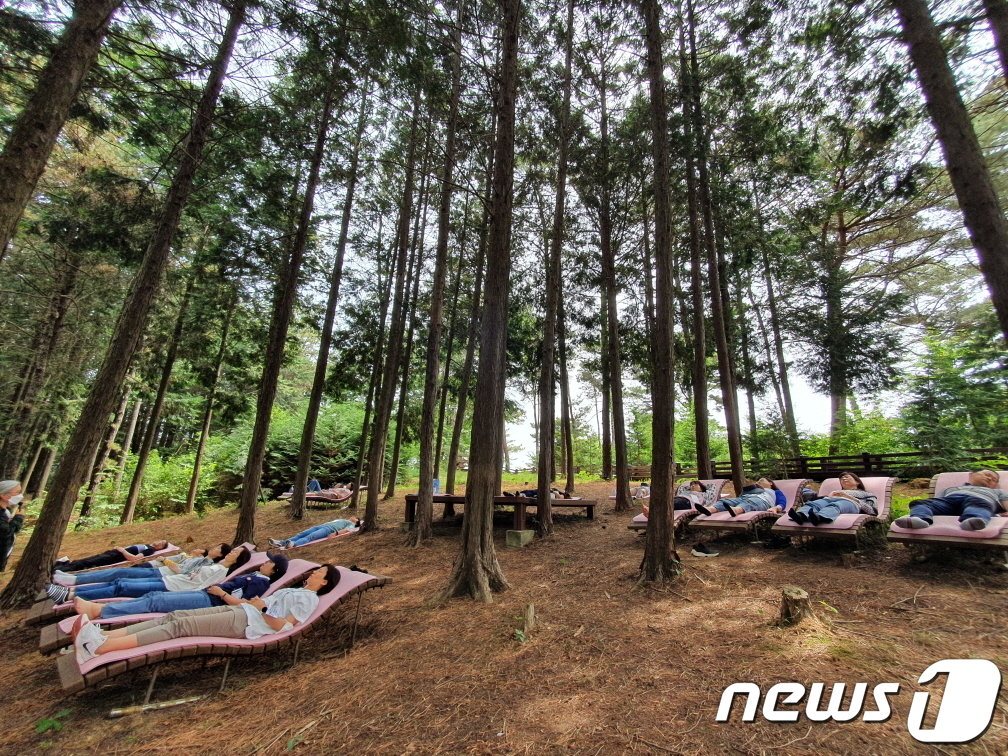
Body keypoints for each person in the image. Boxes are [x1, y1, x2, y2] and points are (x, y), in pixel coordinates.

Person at [72, 564, 342, 663]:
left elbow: (284, 625)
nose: (314, 572)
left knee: (179, 628)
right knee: (174, 617)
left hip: (249, 623)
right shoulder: (293, 590)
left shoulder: (307, 599)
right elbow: (257, 606)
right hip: (241, 612)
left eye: (320, 572)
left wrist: (262, 607)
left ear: (325, 582)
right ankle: (103, 633)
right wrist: (244, 602)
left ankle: (102, 648)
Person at [74, 553, 290, 620]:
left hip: (210, 601)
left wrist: (221, 592)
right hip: (205, 594)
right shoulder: (254, 575)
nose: (265, 562)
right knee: (153, 596)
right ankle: (95, 607)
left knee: (156, 600)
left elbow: (245, 604)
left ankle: (100, 611)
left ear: (274, 571)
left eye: (270, 562)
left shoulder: (261, 582)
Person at [45, 545, 250, 604]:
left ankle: (71, 593)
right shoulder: (213, 564)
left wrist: (168, 561)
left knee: (121, 585)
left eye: (236, 552)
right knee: (119, 579)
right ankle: (71, 587)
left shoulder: (219, 570)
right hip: (166, 578)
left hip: (170, 586)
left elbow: (195, 582)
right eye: (234, 549)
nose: (233, 551)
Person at [52, 543, 232, 587]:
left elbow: (181, 570)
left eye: (218, 548)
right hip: (159, 571)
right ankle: (74, 579)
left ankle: (74, 580)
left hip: (160, 574)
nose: (214, 547)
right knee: (116, 575)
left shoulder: (206, 563)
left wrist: (164, 560)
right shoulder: (200, 558)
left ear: (220, 554)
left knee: (117, 577)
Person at [895, 470, 1008, 531]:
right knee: (921, 503)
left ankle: (972, 521)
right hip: (949, 502)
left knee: (980, 506)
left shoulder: (998, 492)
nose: (989, 479)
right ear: (972, 476)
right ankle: (919, 519)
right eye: (987, 475)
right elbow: (936, 501)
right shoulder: (950, 489)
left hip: (978, 501)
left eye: (994, 480)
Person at [788, 471, 877, 525]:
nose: (843, 479)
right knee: (814, 504)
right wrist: (828, 496)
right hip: (830, 499)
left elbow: (872, 511)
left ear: (857, 482)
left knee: (838, 504)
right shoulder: (836, 492)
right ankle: (800, 515)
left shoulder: (867, 494)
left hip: (851, 504)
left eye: (847, 477)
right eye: (841, 478)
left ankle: (820, 517)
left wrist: (850, 497)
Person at [52, 540, 171, 573]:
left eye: (161, 544)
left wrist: (122, 550)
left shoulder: (149, 550)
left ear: (160, 548)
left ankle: (59, 569)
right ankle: (60, 565)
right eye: (160, 541)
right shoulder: (146, 545)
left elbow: (134, 559)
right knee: (85, 560)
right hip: (112, 554)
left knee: (86, 563)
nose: (159, 543)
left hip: (114, 558)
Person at [694, 477, 785, 516]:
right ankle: (709, 509)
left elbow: (782, 501)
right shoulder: (755, 489)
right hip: (744, 498)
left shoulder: (775, 491)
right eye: (758, 481)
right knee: (725, 501)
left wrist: (776, 508)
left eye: (762, 480)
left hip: (761, 501)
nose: (759, 481)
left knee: (749, 503)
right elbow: (741, 496)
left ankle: (736, 510)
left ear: (770, 483)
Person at [267, 517, 361, 550]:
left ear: (357, 521)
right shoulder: (342, 519)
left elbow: (347, 530)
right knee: (301, 534)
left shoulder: (352, 524)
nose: (353, 517)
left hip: (328, 530)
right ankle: (281, 542)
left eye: (356, 518)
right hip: (321, 526)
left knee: (310, 537)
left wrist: (335, 533)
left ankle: (293, 544)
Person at [0, 480, 25, 571]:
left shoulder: (6, 511)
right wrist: (19, 517)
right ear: (3, 495)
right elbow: (6, 532)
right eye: (17, 492)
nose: (20, 495)